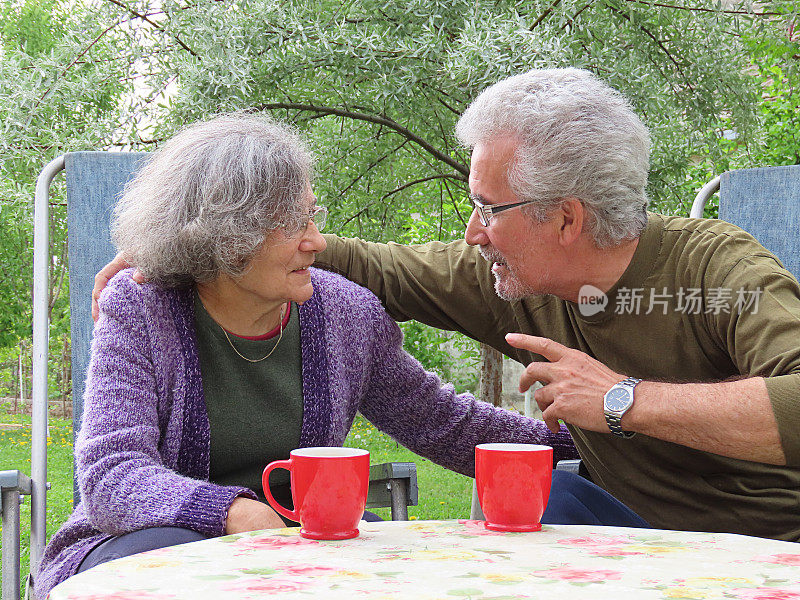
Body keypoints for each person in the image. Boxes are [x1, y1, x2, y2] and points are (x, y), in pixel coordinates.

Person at [41, 112, 642, 599]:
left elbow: (443, 423)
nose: (316, 242)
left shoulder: (345, 314)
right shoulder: (142, 306)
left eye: (312, 216)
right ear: (224, 236)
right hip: (154, 546)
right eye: (289, 224)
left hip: (308, 545)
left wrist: (608, 425)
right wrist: (234, 514)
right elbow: (112, 474)